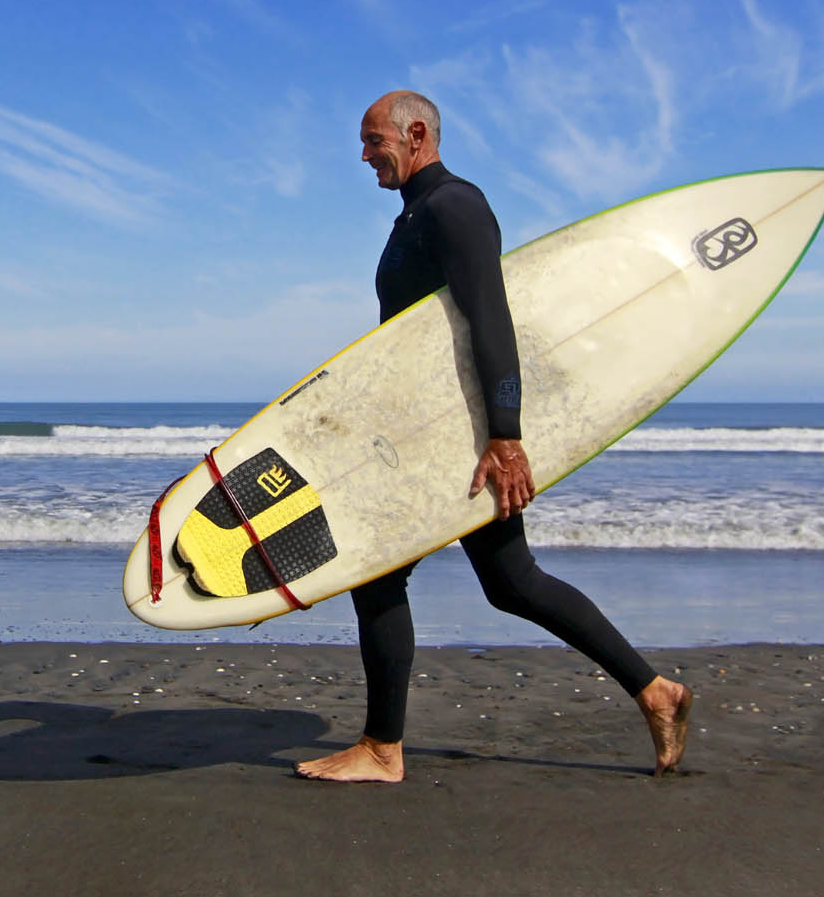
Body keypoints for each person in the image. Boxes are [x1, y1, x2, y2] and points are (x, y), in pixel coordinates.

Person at [294, 90, 692, 783]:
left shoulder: (455, 207)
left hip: (457, 439)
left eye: (373, 142)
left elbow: (492, 321)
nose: (363, 156)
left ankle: (383, 749)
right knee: (513, 582)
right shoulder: (415, 215)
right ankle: (655, 691)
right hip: (431, 433)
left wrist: (505, 437)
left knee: (380, 574)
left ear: (415, 134)